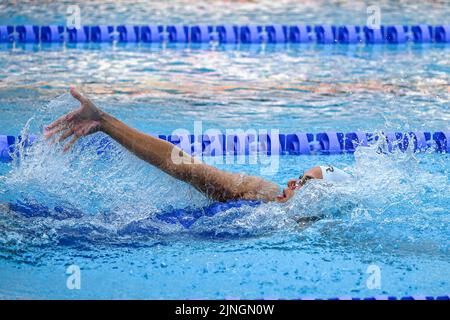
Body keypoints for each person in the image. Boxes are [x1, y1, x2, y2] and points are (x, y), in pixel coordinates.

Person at [44, 87, 351, 204]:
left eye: (303, 183)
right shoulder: (262, 192)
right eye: (298, 177)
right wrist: (106, 123)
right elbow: (185, 166)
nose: (290, 182)